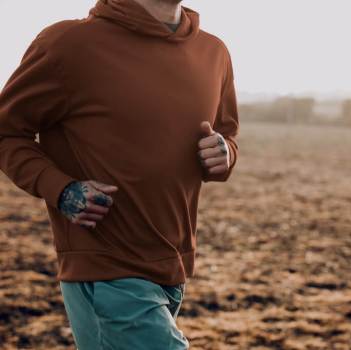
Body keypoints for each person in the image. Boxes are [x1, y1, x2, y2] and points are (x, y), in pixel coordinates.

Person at [0, 0, 239, 348]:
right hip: (105, 268)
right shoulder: (68, 44)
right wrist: (62, 190)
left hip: (174, 265)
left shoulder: (213, 52)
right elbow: (6, 132)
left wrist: (224, 153)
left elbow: (226, 134)